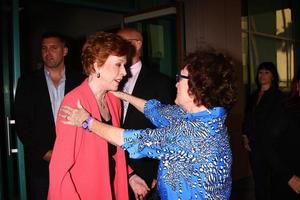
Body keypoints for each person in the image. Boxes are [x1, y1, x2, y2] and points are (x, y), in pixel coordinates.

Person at [59, 49, 237, 200]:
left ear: (196, 86)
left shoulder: (196, 134)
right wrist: (122, 95)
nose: (175, 83)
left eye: (179, 78)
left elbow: (133, 140)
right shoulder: (203, 115)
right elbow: (157, 111)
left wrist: (87, 121)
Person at [47, 31, 133, 200]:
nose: (124, 72)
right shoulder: (74, 103)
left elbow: (112, 150)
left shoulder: (112, 100)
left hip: (112, 188)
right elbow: (60, 170)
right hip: (83, 192)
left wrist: (130, 175)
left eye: (125, 65)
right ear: (96, 65)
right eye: (118, 64)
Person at [14, 32, 84, 200]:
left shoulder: (81, 80)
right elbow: (22, 123)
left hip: (76, 160)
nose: (48, 52)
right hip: (42, 163)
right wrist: (44, 152)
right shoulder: (27, 82)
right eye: (44, 48)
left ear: (65, 51)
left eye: (53, 48)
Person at [117, 27, 175, 199]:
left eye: (121, 43)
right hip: (113, 165)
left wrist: (161, 171)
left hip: (145, 169)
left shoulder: (161, 82)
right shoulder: (108, 78)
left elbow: (167, 130)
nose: (116, 47)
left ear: (138, 44)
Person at [242, 62, 284, 200]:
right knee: (259, 181)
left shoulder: (279, 96)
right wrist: (245, 137)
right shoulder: (253, 96)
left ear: (273, 76)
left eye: (267, 72)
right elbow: (247, 117)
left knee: (273, 182)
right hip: (254, 145)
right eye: (260, 72)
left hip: (272, 146)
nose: (263, 75)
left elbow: (279, 122)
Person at [264, 69, 300, 200]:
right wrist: (289, 177)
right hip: (288, 182)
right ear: (297, 86)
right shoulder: (286, 110)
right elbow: (267, 145)